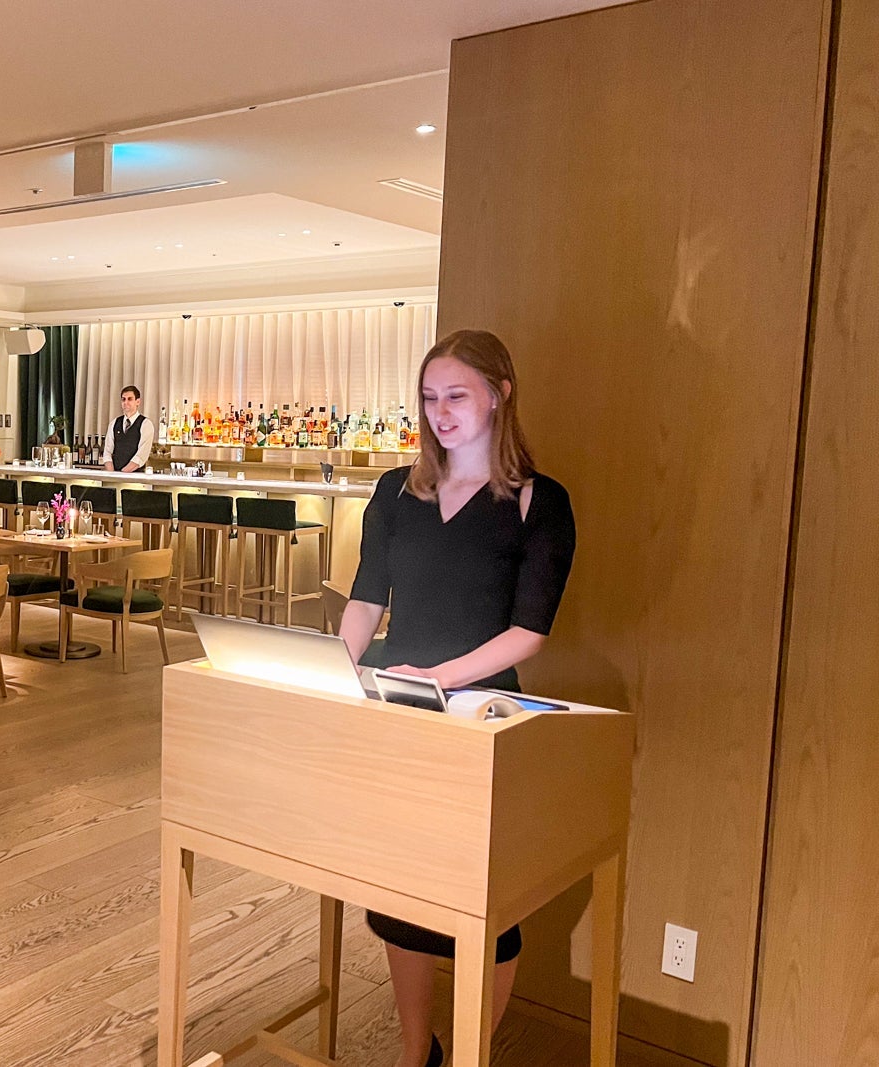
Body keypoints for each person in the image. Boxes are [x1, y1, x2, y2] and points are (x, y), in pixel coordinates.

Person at [339, 329, 576, 1067]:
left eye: (456, 396)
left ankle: (472, 1055)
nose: (439, 413)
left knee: (484, 904)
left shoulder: (540, 502)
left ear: (500, 395)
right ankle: (418, 1051)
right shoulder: (394, 491)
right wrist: (336, 668)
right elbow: (365, 600)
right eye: (429, 398)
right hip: (397, 708)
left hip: (482, 715)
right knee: (398, 899)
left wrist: (440, 677)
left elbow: (529, 632)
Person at [100, 385, 154, 473]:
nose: (126, 402)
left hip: (135, 477)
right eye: (123, 399)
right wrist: (112, 475)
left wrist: (123, 474)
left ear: (138, 402)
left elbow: (141, 456)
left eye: (130, 399)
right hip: (115, 475)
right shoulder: (114, 423)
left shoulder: (146, 424)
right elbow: (107, 452)